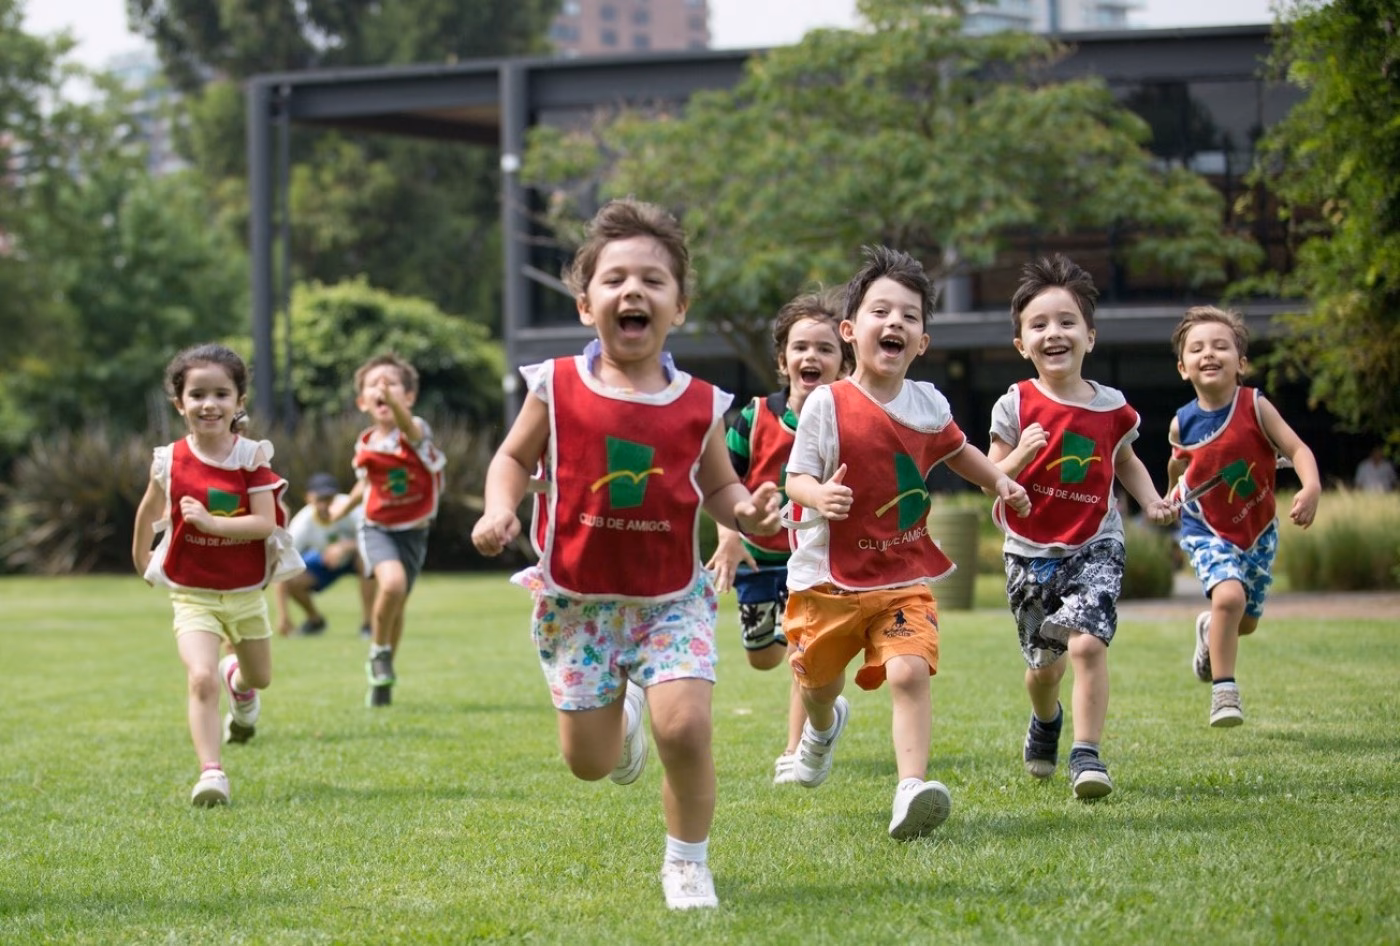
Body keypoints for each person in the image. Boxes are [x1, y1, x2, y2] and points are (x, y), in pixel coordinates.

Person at [471, 198, 781, 910]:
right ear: (586, 305)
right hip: (577, 604)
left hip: (670, 600)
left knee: (688, 728)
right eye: (614, 280)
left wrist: (747, 512)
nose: (632, 291)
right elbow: (512, 459)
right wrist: (498, 508)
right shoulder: (555, 385)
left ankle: (687, 863)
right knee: (591, 763)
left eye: (651, 280)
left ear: (679, 306)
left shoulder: (701, 403)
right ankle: (623, 718)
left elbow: (719, 487)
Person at [781, 245, 1031, 840]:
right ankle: (822, 728)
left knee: (910, 672)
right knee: (817, 685)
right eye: (880, 311)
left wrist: (999, 480)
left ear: (922, 342)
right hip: (827, 580)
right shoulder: (826, 403)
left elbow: (959, 452)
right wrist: (819, 496)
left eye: (909, 316)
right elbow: (796, 477)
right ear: (850, 331)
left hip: (901, 573)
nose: (894, 322)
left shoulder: (928, 404)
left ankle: (911, 788)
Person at [986, 256, 1176, 800]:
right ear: (1022, 344)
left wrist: (1152, 500)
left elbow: (1126, 460)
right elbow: (990, 476)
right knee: (1044, 669)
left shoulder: (1113, 407)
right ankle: (1046, 720)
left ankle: (1087, 755)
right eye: (1039, 324)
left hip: (1096, 542)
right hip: (1028, 551)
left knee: (1089, 644)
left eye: (1067, 321)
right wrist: (1020, 456)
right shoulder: (1015, 404)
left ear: (1089, 337)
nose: (1054, 333)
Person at [131, 343, 303, 807]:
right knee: (200, 677)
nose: (209, 404)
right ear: (179, 403)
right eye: (197, 394)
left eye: (221, 394)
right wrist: (141, 558)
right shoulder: (168, 460)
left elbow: (264, 522)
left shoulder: (251, 459)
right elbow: (149, 509)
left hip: (244, 592)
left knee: (259, 677)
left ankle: (239, 686)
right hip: (192, 593)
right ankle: (212, 773)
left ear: (238, 401)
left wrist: (211, 523)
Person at [706, 288, 853, 785]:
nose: (812, 356)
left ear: (843, 364)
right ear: (783, 360)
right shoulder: (754, 417)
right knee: (762, 657)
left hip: (812, 558)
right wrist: (729, 535)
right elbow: (723, 482)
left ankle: (794, 749)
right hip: (757, 557)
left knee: (799, 652)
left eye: (825, 349)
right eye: (801, 347)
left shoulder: (846, 421)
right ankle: (826, 706)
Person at [1167, 305, 1320, 727]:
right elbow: (1178, 466)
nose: (1209, 354)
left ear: (1242, 363)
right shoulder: (1182, 423)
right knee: (1230, 598)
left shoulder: (1256, 406)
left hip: (1258, 531)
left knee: (1245, 622)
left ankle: (1208, 631)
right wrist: (1168, 497)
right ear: (1183, 368)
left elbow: (1298, 450)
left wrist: (1311, 486)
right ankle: (1224, 692)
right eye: (1197, 349)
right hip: (1206, 527)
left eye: (1220, 346)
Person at [330, 353, 446, 708]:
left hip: (414, 531)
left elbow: (410, 430)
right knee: (392, 585)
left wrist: (394, 405)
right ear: (362, 402)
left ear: (409, 397)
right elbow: (366, 483)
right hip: (376, 527)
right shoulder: (366, 443)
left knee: (397, 604)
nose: (382, 389)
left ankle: (382, 676)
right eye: (374, 386)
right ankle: (378, 651)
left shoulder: (416, 430)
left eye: (392, 384)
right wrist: (342, 508)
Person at [275, 472, 373, 638]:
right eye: (319, 499)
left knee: (368, 561)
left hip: (355, 558)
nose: (324, 505)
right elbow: (282, 564)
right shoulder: (302, 524)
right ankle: (315, 621)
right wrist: (283, 615)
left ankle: (368, 624)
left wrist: (345, 546)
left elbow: (373, 539)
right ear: (308, 498)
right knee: (291, 579)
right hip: (325, 562)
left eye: (329, 499)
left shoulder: (351, 507)